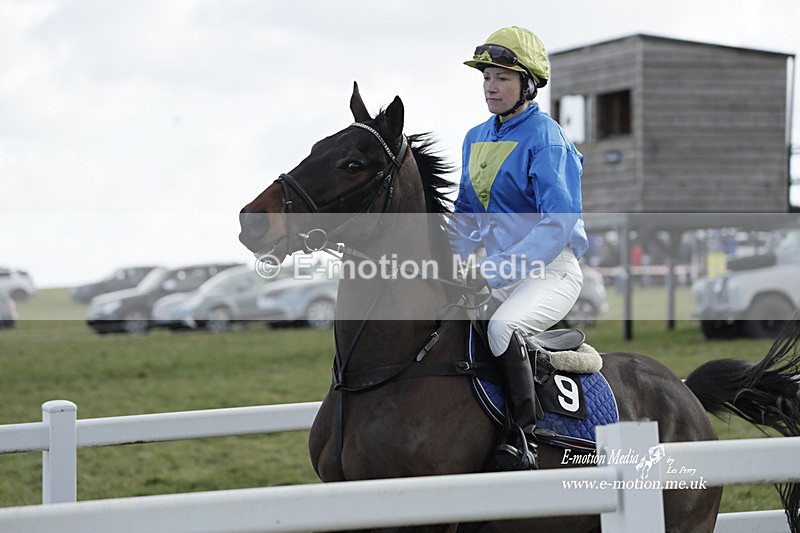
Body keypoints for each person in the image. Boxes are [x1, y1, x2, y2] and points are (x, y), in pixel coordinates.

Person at [448, 26, 588, 471]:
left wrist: (491, 272)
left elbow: (557, 225)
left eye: (503, 78)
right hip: (499, 272)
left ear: (528, 84)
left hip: (552, 271)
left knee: (502, 330)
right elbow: (467, 213)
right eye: (487, 76)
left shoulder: (546, 138)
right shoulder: (475, 137)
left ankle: (524, 437)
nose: (491, 86)